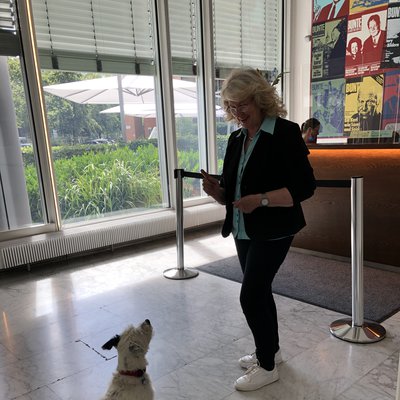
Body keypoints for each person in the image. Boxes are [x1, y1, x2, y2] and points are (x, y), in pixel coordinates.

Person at [201, 69, 316, 392]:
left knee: (250, 295)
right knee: (261, 291)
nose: (238, 112)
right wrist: (218, 192)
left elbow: (305, 187)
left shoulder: (284, 132)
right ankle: (271, 351)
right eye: (231, 106)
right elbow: (233, 192)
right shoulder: (236, 139)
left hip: (275, 229)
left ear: (260, 99)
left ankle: (266, 367)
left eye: (243, 104)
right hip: (243, 228)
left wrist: (262, 200)